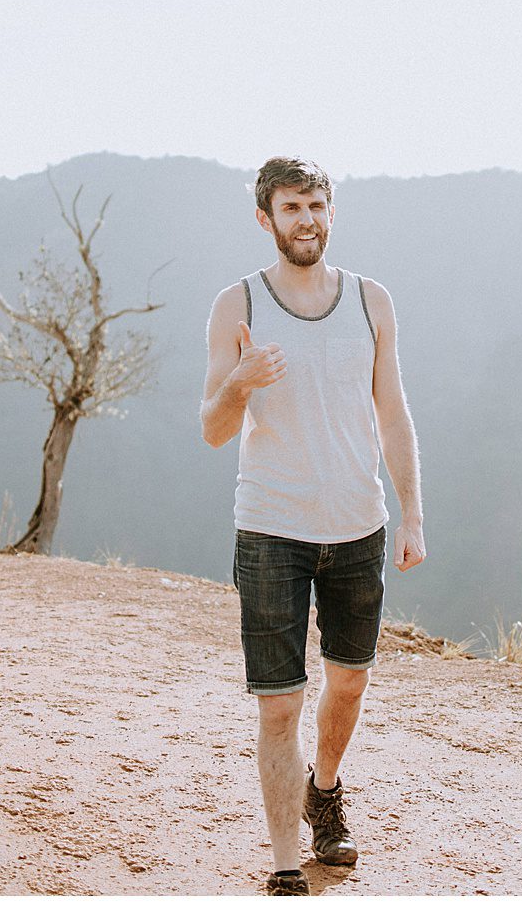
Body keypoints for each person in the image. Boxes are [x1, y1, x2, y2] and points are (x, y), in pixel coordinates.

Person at [201, 156, 427, 896]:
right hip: (270, 529)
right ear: (265, 219)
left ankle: (322, 787)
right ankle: (285, 862)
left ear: (332, 211)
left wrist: (411, 514)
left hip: (359, 525)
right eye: (292, 208)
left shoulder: (371, 301)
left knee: (351, 683)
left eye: (317, 205)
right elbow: (212, 427)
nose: (308, 220)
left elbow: (392, 413)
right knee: (279, 701)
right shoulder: (236, 306)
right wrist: (240, 381)